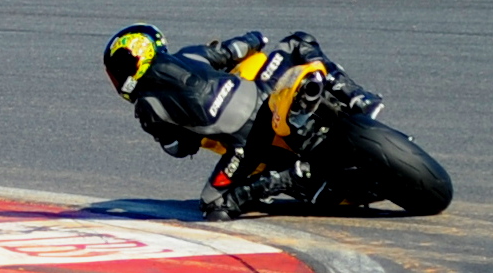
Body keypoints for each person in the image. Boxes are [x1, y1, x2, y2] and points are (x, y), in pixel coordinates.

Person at [100, 23, 379, 220]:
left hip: (244, 148)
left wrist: (189, 129)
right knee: (298, 41)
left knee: (214, 204)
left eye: (121, 68)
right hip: (265, 93)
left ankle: (287, 178)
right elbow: (234, 49)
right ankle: (355, 95)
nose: (120, 77)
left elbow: (180, 147)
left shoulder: (146, 107)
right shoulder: (190, 54)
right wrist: (254, 38)